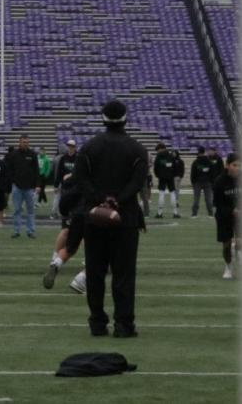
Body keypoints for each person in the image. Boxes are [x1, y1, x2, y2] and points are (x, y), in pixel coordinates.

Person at [73, 98, 148, 337]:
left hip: (94, 218)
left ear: (103, 119)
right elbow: (137, 182)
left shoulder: (89, 147)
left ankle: (97, 322)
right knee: (124, 274)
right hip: (125, 218)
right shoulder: (137, 149)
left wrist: (99, 200)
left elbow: (80, 179)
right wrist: (118, 200)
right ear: (125, 118)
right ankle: (124, 325)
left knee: (95, 273)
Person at [42, 139, 87, 290]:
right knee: (97, 246)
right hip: (91, 215)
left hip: (74, 214)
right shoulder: (96, 178)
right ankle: (82, 278)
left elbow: (66, 199)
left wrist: (66, 213)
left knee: (70, 247)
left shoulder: (73, 178)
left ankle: (56, 262)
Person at [7, 135, 41, 239]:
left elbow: (36, 171)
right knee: (17, 210)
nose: (25, 144)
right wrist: (13, 181)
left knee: (30, 211)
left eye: (27, 142)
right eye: (23, 142)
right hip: (17, 187)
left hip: (30, 187)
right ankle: (16, 231)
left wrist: (38, 185)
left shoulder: (33, 154)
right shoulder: (13, 155)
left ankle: (30, 231)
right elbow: (9, 170)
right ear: (19, 142)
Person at [214, 152, 241, 278]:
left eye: (239, 165)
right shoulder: (219, 182)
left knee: (241, 241)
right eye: (234, 165)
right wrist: (232, 210)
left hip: (241, 216)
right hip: (224, 215)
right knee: (226, 244)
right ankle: (228, 267)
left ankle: (238, 249)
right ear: (227, 165)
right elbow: (217, 204)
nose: (237, 168)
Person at [152, 142, 184, 218]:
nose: (157, 151)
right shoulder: (171, 156)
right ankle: (175, 213)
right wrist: (172, 175)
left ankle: (159, 213)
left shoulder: (158, 156)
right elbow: (175, 167)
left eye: (158, 150)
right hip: (170, 177)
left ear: (161, 148)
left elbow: (155, 168)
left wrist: (158, 175)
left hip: (162, 177)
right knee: (172, 193)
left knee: (161, 193)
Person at [190, 146, 222, 217]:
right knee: (208, 199)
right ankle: (210, 214)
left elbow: (192, 174)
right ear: (204, 152)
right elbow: (212, 173)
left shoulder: (195, 162)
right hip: (207, 182)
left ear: (198, 152)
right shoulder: (209, 161)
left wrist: (193, 182)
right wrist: (211, 182)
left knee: (196, 199)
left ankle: (194, 214)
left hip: (198, 183)